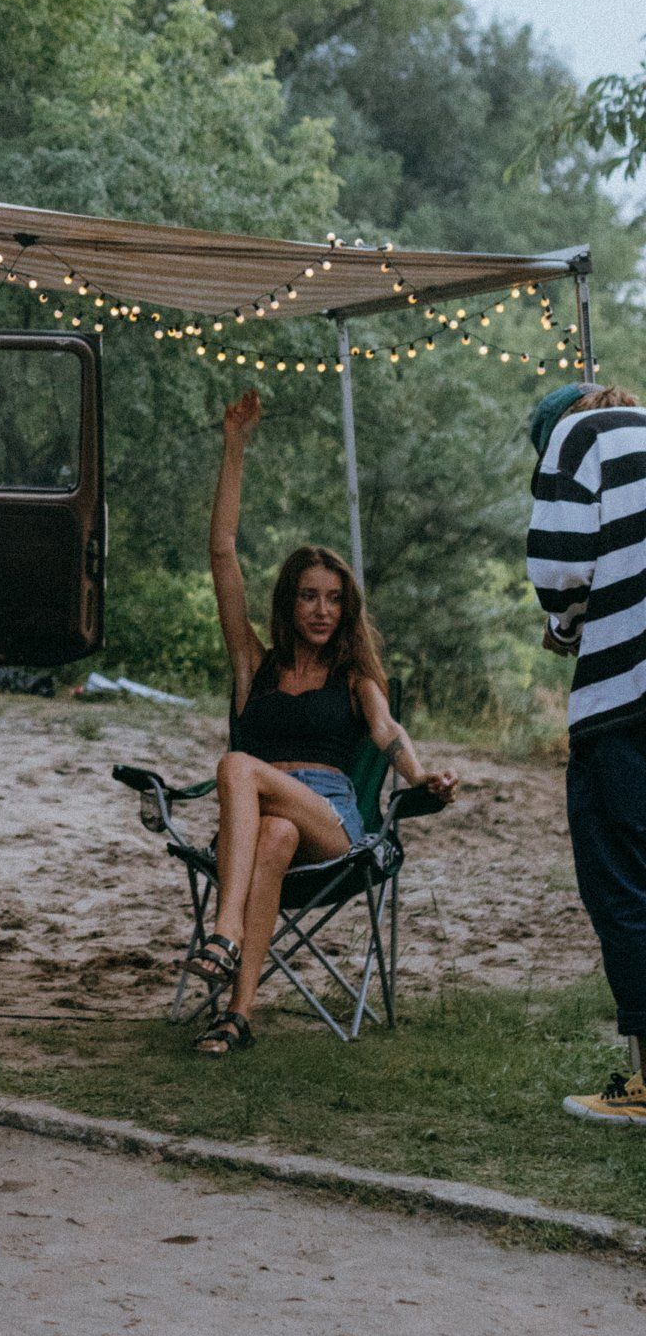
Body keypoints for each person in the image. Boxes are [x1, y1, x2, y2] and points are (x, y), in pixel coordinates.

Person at [189, 389, 457, 1056]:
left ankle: (221, 934)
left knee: (235, 765)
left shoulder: (354, 678)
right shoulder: (255, 665)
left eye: (334, 599)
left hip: (333, 826)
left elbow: (388, 733)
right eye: (309, 596)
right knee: (272, 837)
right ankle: (238, 1015)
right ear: (289, 601)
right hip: (265, 831)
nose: (321, 609)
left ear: (346, 609)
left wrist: (420, 777)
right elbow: (223, 554)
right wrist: (235, 446)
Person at [527, 379, 646, 1127]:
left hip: (626, 704)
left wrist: (565, 628)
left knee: (626, 891)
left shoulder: (575, 442)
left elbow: (560, 568)